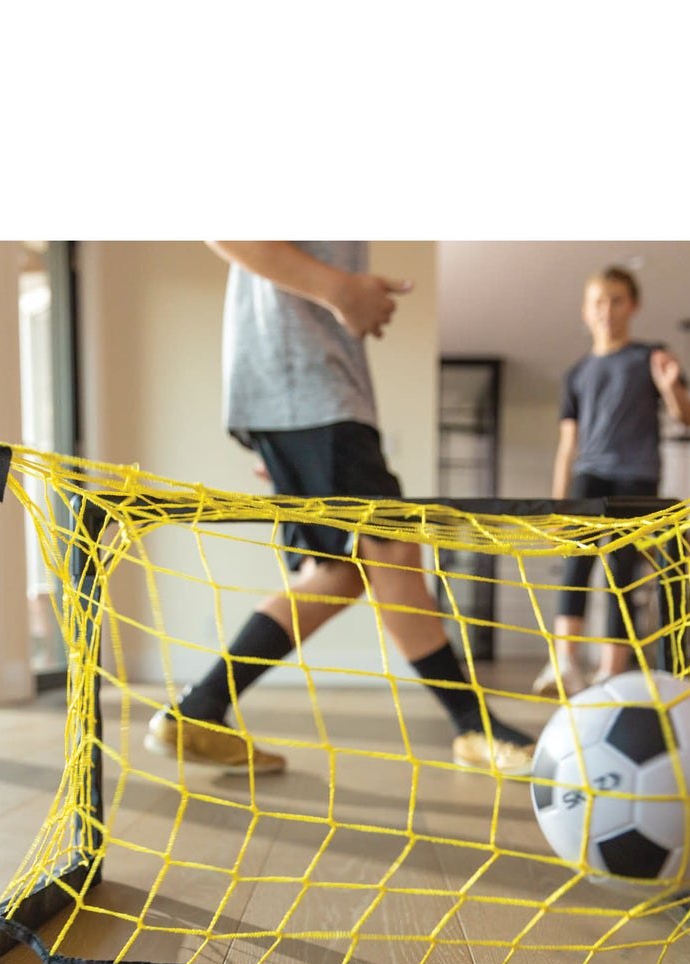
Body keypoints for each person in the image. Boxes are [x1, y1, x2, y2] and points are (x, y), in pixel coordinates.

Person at [145, 241, 537, 778]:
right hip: (308, 388)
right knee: (392, 548)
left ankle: (199, 709)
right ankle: (473, 724)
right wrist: (340, 289)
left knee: (337, 573)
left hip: (303, 394)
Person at [532, 266, 690, 698]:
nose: (607, 310)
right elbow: (568, 443)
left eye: (617, 300)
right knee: (575, 564)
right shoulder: (576, 374)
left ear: (633, 306)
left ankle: (610, 676)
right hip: (589, 475)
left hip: (637, 478)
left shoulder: (651, 356)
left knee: (622, 574)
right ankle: (565, 664)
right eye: (598, 301)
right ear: (586, 311)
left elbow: (686, 416)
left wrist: (669, 386)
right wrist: (556, 504)